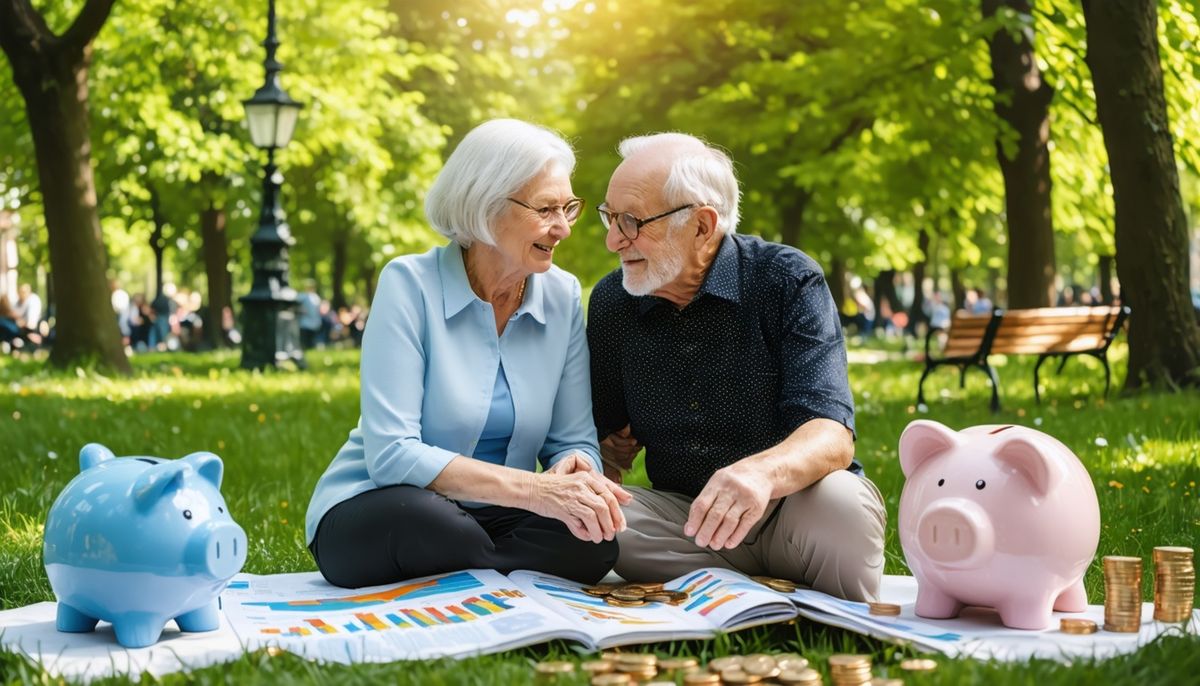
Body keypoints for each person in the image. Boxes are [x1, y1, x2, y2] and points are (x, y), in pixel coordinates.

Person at [305, 119, 630, 589]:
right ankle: (500, 568)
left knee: (595, 540)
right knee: (424, 520)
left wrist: (575, 470)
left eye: (569, 208)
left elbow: (574, 439)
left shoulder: (560, 296)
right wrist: (537, 490)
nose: (563, 228)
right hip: (384, 503)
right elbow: (393, 455)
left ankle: (473, 569)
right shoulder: (408, 284)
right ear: (486, 205)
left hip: (501, 515)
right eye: (545, 209)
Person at [588, 133, 886, 602]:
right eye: (610, 218)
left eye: (631, 222)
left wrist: (758, 474)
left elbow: (831, 434)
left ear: (703, 226)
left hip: (793, 509)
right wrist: (601, 458)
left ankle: (735, 590)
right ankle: (754, 595)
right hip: (689, 523)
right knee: (585, 516)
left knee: (843, 508)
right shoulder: (613, 301)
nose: (612, 240)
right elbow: (605, 441)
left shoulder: (787, 279)